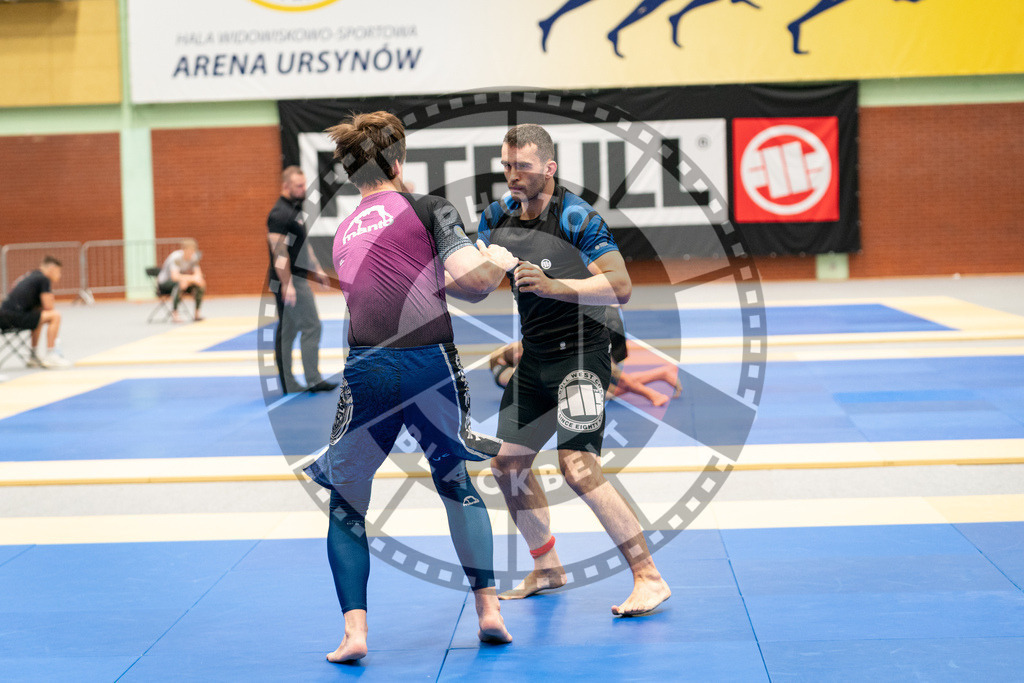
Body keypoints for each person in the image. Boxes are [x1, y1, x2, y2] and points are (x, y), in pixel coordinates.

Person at [303, 111, 518, 663]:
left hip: (367, 371)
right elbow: (471, 285)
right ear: (398, 163)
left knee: (347, 504)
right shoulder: (428, 207)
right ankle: (489, 610)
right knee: (454, 481)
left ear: (354, 176)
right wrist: (496, 258)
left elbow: (394, 291)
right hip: (428, 367)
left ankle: (354, 633)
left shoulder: (345, 233)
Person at [477, 124, 671, 616]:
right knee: (507, 464)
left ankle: (649, 578)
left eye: (522, 165)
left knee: (578, 466)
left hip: (582, 355)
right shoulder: (497, 217)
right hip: (536, 356)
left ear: (549, 167)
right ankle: (548, 567)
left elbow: (622, 286)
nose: (512, 175)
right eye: (506, 165)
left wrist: (553, 285)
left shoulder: (577, 217)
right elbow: (476, 279)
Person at [266, 166, 338, 394]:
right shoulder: (279, 214)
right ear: (285, 186)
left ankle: (289, 382)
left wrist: (316, 268)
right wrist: (287, 284)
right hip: (289, 280)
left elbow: (302, 244)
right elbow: (279, 253)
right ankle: (313, 379)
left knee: (288, 330)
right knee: (311, 326)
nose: (303, 189)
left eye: (304, 184)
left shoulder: (295, 210)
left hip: (296, 278)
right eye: (298, 186)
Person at [0, 255, 72, 368]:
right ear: (51, 269)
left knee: (38, 317)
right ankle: (51, 355)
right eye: (59, 272)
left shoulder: (31, 275)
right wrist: (51, 298)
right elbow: (49, 307)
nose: (59, 275)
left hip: (4, 317)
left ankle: (33, 356)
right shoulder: (44, 279)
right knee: (55, 316)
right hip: (13, 317)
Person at [156, 238, 206, 322]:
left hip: (182, 280)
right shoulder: (176, 258)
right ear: (184, 250)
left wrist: (193, 280)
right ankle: (175, 314)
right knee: (180, 284)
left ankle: (197, 314)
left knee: (201, 284)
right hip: (165, 283)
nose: (191, 253)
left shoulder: (193, 257)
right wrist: (191, 279)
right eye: (189, 251)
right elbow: (174, 277)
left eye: (193, 251)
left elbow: (198, 275)